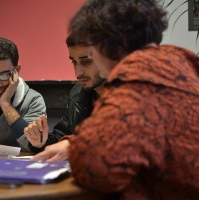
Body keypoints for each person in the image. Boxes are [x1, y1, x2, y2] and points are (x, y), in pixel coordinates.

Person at [35, 0, 199, 199]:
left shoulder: (134, 79)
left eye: (90, 52)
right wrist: (74, 142)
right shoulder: (180, 60)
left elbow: (96, 169)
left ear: (110, 44)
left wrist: (77, 148)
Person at [25, 74, 105, 154]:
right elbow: (62, 135)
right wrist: (42, 143)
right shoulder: (78, 92)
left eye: (87, 62)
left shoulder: (116, 97)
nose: (78, 71)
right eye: (74, 62)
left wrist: (74, 145)